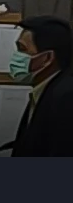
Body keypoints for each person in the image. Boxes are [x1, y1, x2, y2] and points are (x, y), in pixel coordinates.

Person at [10, 15, 73, 156]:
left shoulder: (67, 97)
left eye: (22, 49)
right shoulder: (46, 89)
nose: (16, 56)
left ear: (48, 58)